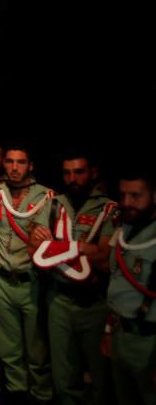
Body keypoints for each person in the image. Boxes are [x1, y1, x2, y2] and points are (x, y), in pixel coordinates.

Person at [29, 152, 116, 405]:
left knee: (101, 377)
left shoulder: (108, 208)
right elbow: (34, 252)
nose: (72, 178)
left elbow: (103, 259)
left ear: (93, 173)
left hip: (95, 304)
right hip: (59, 301)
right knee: (64, 378)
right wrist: (81, 247)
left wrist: (57, 246)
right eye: (67, 173)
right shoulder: (55, 204)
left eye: (79, 172)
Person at [0, 145, 53, 404]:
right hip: (2, 279)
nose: (14, 168)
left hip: (32, 281)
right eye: (10, 162)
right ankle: (16, 395)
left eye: (21, 162)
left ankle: (41, 396)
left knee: (37, 351)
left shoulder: (46, 197)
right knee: (8, 349)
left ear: (31, 166)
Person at [102, 172, 156, 405]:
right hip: (121, 335)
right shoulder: (124, 229)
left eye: (136, 196)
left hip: (149, 343)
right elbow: (115, 282)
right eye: (123, 195)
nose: (126, 203)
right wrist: (108, 330)